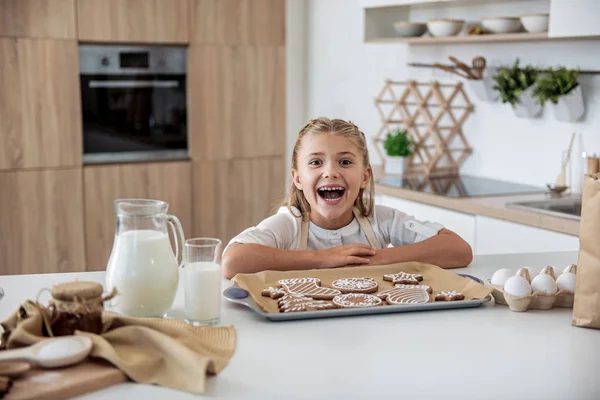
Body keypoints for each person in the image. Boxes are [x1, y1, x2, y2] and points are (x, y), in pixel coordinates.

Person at [221, 117, 473, 279]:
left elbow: (458, 249)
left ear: (364, 177)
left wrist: (374, 259)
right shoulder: (289, 224)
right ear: (297, 179)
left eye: (345, 162)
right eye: (316, 162)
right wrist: (324, 258)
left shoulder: (381, 220)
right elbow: (233, 260)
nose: (330, 171)